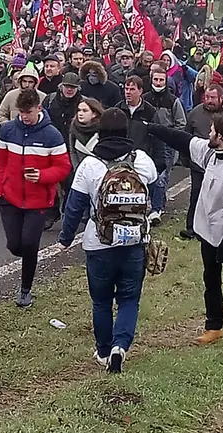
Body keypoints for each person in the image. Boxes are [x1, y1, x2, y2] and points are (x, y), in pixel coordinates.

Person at [147, 108, 223, 358]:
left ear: (220, 136)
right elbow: (183, 140)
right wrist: (153, 128)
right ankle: (214, 326)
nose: (207, 132)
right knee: (210, 280)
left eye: (211, 130)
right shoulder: (211, 152)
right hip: (206, 233)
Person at [58, 108, 158, 373]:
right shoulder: (142, 161)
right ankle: (120, 347)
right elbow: (156, 187)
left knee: (101, 301)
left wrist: (65, 238)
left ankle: (103, 350)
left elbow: (74, 206)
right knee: (129, 299)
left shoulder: (90, 165)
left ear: (100, 132)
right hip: (135, 242)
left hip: (99, 243)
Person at [0, 88, 72, 308]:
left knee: (29, 245)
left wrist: (42, 176)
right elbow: (0, 163)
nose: (24, 117)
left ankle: (25, 290)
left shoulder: (52, 135)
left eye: (28, 112)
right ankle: (23, 263)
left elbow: (63, 167)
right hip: (9, 197)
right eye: (21, 112)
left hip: (38, 201)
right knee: (14, 245)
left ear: (39, 108)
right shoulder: (8, 130)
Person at [181, 84, 223, 240]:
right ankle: (191, 227)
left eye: (213, 98)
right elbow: (186, 135)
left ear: (221, 98)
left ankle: (212, 229)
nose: (209, 101)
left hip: (221, 165)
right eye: (207, 97)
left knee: (216, 198)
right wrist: (185, 158)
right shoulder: (195, 113)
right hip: (198, 164)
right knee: (196, 194)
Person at [143, 68, 187, 222]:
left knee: (162, 175)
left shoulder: (173, 100)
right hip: (147, 142)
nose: (158, 83)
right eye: (156, 80)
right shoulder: (145, 99)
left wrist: (170, 136)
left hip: (166, 144)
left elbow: (181, 122)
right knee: (149, 174)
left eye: (161, 80)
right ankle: (155, 201)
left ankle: (158, 207)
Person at [42, 72, 83, 228]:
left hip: (72, 148)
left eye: (72, 87)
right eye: (67, 86)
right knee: (50, 182)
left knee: (70, 182)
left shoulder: (82, 102)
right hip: (51, 147)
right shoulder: (50, 100)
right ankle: (52, 212)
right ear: (61, 86)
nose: (69, 90)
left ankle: (67, 212)